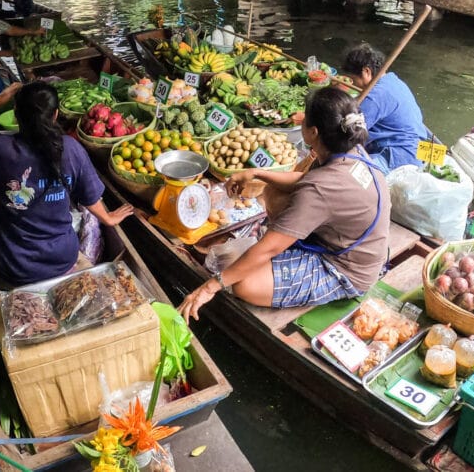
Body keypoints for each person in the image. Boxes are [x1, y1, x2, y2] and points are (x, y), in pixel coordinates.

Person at [178, 88, 391, 320]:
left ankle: (334, 286)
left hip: (346, 269)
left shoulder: (321, 189)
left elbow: (271, 246)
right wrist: (257, 174)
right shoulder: (349, 149)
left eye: (304, 117)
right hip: (349, 242)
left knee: (244, 284)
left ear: (312, 132)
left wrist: (210, 287)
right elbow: (304, 180)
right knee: (274, 193)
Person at [0, 82, 133, 289]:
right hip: (63, 260)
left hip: (14, 268)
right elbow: (90, 197)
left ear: (15, 114)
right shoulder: (71, 149)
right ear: (55, 115)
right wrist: (108, 218)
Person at [339, 42, 429, 173]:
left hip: (399, 154)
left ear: (366, 71)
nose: (353, 83)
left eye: (353, 79)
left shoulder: (376, 95)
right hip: (415, 146)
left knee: (350, 174)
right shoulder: (392, 80)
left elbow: (350, 132)